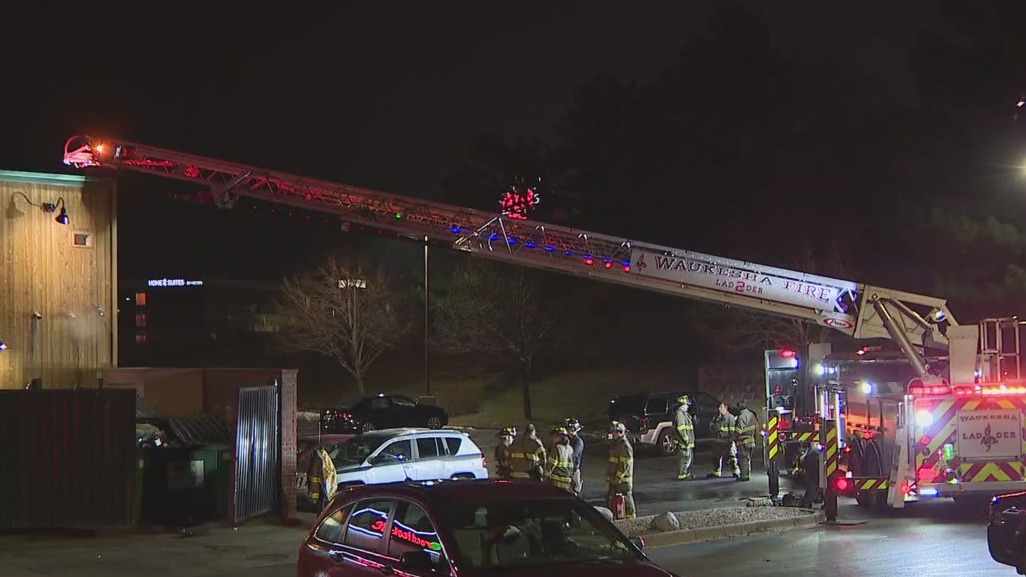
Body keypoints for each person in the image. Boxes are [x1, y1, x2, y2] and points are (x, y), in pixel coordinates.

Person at [606, 421, 636, 519]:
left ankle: (631, 521)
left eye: (614, 432)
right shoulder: (616, 445)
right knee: (612, 501)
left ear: (620, 432)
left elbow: (624, 464)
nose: (612, 435)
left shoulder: (624, 446)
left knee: (626, 502)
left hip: (622, 481)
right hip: (615, 480)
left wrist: (618, 477)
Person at [707, 402, 740, 478]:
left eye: (721, 407)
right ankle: (716, 472)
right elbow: (712, 427)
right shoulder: (716, 418)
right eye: (719, 407)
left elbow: (732, 431)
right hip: (718, 442)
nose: (719, 409)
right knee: (716, 457)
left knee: (732, 457)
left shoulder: (730, 418)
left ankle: (735, 472)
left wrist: (731, 441)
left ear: (726, 408)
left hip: (727, 441)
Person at [734, 399, 759, 482]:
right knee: (748, 459)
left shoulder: (741, 416)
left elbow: (739, 430)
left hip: (743, 441)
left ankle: (744, 476)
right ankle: (747, 473)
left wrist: (733, 438)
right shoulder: (751, 414)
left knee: (743, 458)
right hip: (751, 440)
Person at [307, 445, 337, 512]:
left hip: (322, 484)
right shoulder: (321, 458)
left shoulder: (318, 460)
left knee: (322, 503)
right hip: (322, 483)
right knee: (322, 502)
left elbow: (316, 474)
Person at [545, 426, 574, 492]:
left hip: (556, 482)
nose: (552, 439)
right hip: (567, 482)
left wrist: (544, 476)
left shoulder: (557, 448)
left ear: (560, 437)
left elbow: (550, 465)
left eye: (554, 436)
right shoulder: (570, 448)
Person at [672, 395, 695, 480]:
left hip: (687, 441)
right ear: (681, 405)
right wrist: (686, 439)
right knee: (684, 458)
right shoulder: (680, 415)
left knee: (689, 458)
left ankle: (686, 473)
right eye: (686, 405)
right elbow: (681, 429)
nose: (687, 406)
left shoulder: (685, 414)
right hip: (684, 441)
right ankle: (682, 475)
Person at [565, 418, 585, 496]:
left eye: (568, 429)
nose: (566, 431)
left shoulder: (578, 442)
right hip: (567, 470)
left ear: (573, 430)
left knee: (573, 492)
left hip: (574, 471)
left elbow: (573, 455)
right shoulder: (567, 440)